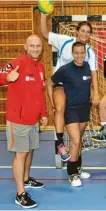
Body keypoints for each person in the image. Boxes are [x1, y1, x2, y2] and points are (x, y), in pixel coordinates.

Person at [40, 13, 99, 161]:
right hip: (61, 83)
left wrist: (95, 92)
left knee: (77, 138)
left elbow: (93, 74)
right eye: (82, 31)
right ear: (77, 32)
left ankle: (76, 167)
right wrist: (43, 16)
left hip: (78, 90)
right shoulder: (65, 41)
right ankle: (59, 143)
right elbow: (45, 33)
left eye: (88, 32)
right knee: (60, 107)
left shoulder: (90, 52)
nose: (85, 34)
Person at [0, 35, 47, 208]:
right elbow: (0, 76)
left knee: (30, 150)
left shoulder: (41, 66)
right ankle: (20, 194)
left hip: (33, 119)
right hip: (18, 119)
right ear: (25, 47)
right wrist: (7, 78)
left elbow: (40, 92)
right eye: (32, 46)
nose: (35, 48)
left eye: (38, 46)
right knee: (20, 154)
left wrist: (43, 112)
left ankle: (26, 179)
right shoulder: (16, 63)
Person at [51, 42, 93, 187]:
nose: (79, 55)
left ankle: (78, 168)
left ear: (85, 53)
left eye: (82, 52)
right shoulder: (65, 70)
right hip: (70, 109)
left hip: (84, 108)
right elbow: (50, 84)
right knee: (75, 140)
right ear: (72, 53)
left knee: (79, 140)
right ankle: (72, 173)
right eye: (76, 53)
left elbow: (91, 85)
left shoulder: (88, 67)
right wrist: (53, 103)